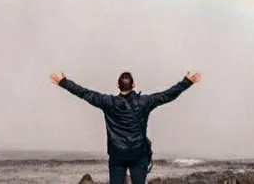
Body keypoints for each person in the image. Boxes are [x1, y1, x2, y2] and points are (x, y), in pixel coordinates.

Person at [49, 69, 202, 184]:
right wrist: (187, 81)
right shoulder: (145, 102)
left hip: (117, 156)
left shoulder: (107, 102)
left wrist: (63, 82)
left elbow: (84, 93)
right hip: (138, 155)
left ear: (117, 85)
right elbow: (167, 95)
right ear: (134, 85)